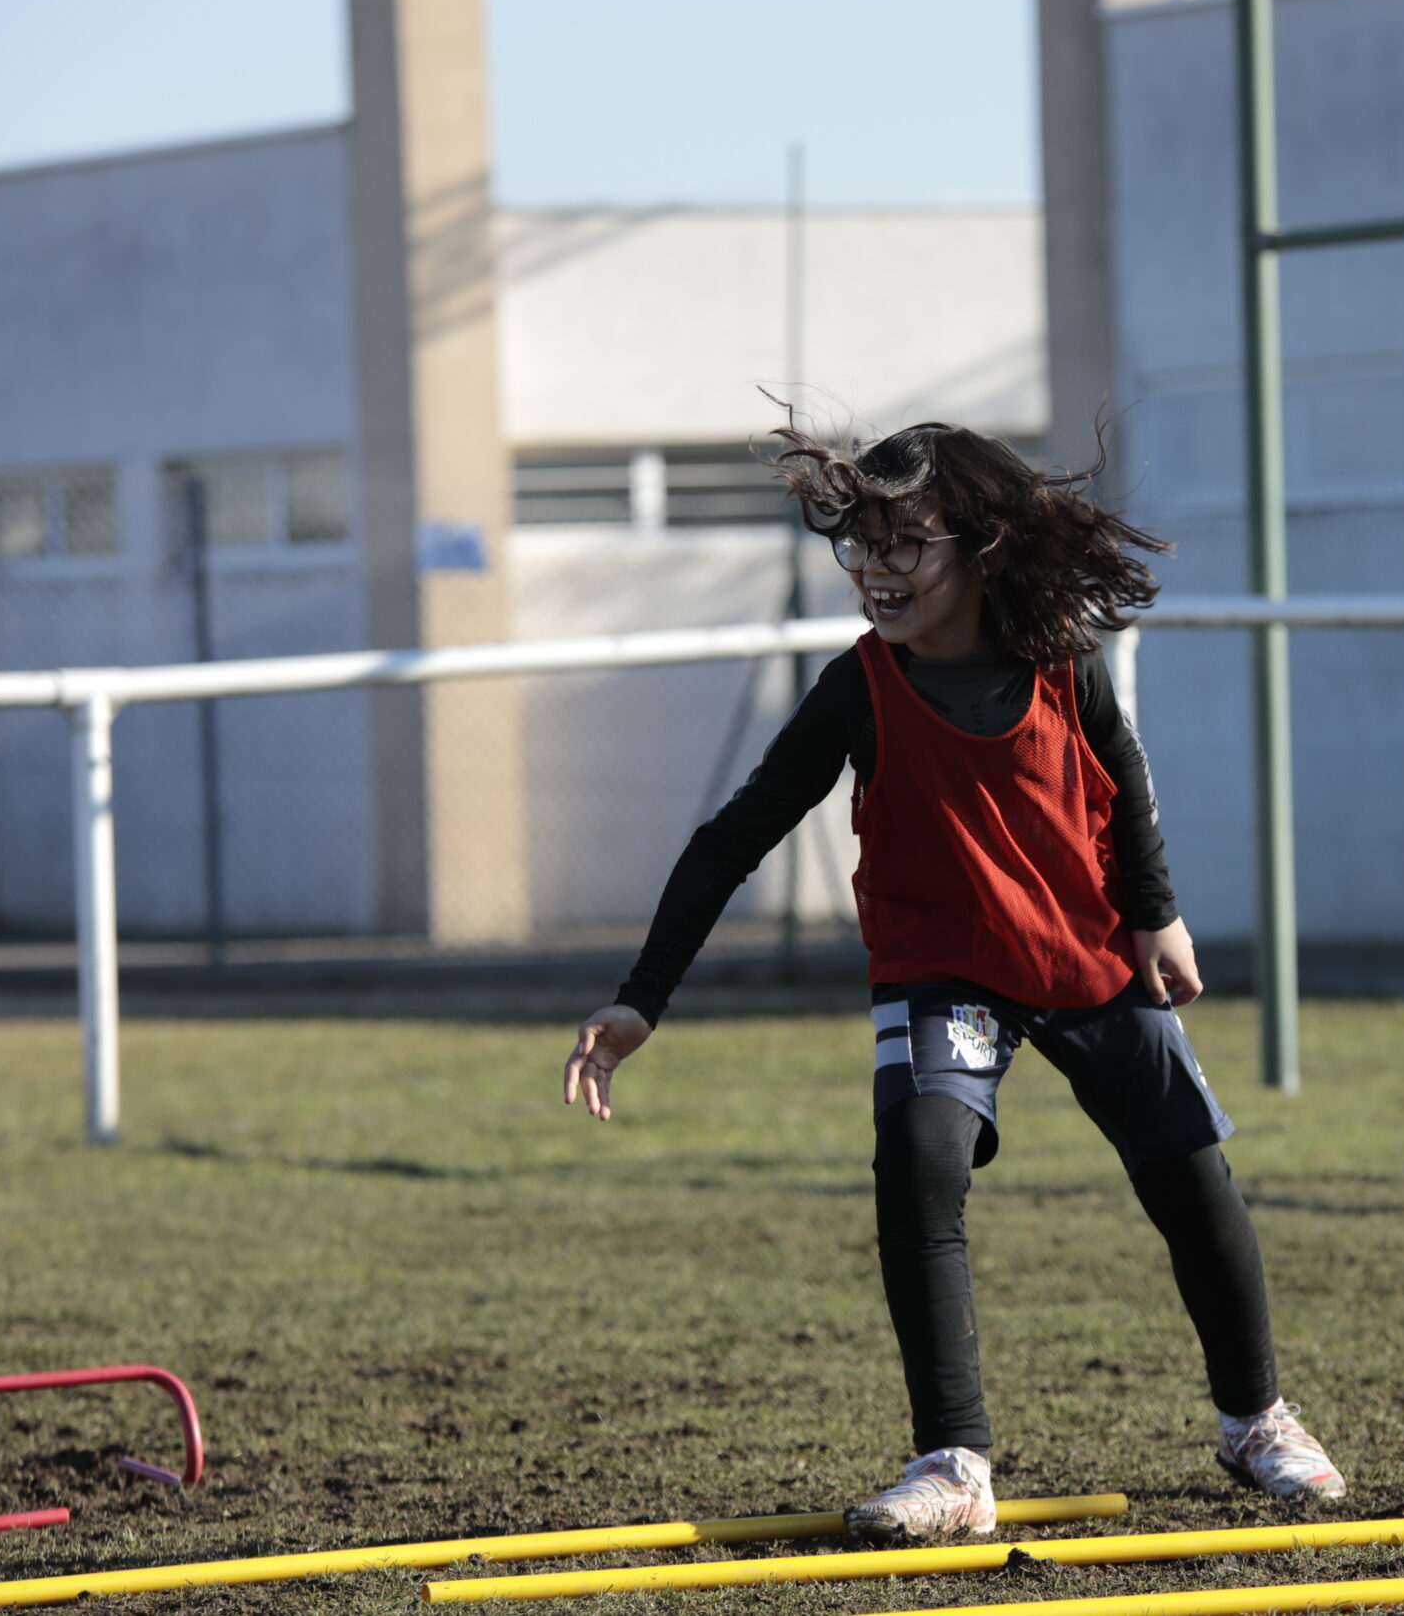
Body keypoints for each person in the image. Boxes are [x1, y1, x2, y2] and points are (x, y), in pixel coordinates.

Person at [562, 421, 1345, 1544]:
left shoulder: (1061, 656)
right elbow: (732, 839)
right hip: (944, 973)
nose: (877, 572)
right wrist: (642, 998)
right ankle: (952, 1463)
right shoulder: (857, 688)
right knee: (920, 1158)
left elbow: (1121, 776)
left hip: (1083, 958)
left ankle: (1257, 1420)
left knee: (1191, 1176)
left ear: (980, 547)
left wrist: (1154, 912)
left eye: (906, 545)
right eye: (860, 547)